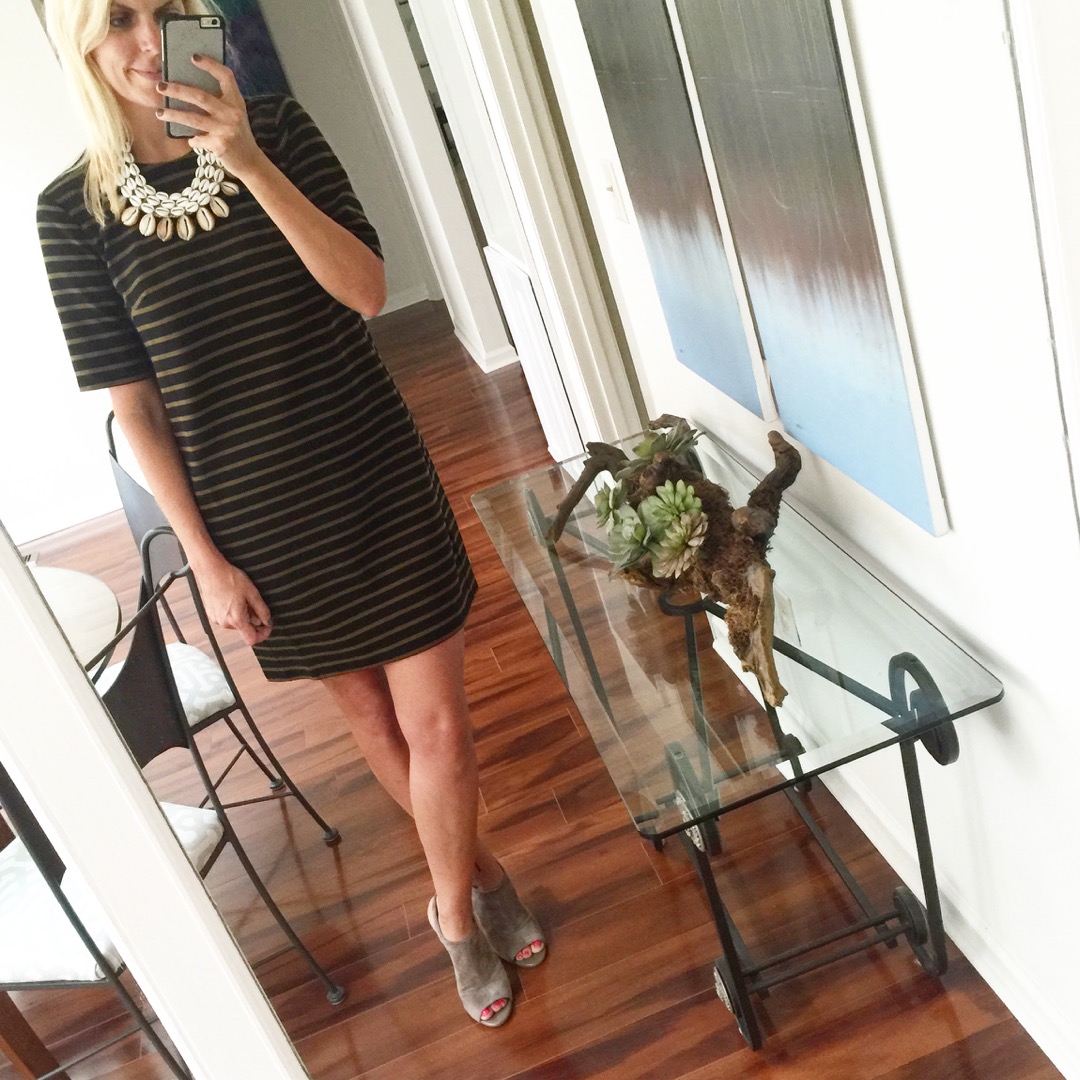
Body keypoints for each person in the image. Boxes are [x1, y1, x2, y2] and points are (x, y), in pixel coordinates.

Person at [37, 0, 545, 1028]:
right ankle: (482, 872)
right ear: (83, 43)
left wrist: (249, 161)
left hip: (370, 469)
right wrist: (204, 557)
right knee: (373, 721)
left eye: (166, 10)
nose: (149, 41)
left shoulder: (276, 129)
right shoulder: (72, 213)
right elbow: (137, 411)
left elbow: (367, 290)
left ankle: (452, 915)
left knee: (439, 724)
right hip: (254, 519)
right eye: (118, 18)